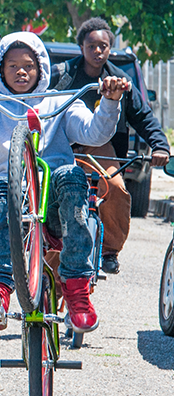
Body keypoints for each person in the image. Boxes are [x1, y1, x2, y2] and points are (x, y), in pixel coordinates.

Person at [0, 32, 129, 333]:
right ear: (0, 69)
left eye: (28, 64)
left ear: (41, 67)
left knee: (71, 175)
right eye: (12, 65)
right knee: (0, 188)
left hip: (52, 201)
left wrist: (110, 101)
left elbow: (95, 134)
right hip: (11, 199)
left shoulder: (59, 100)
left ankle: (76, 286)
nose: (20, 71)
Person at [49, 17, 170, 274]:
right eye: (92, 46)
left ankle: (110, 251)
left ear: (109, 48)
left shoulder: (122, 81)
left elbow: (143, 117)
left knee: (115, 188)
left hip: (100, 148)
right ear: (81, 46)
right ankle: (49, 252)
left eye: (103, 46)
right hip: (64, 147)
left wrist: (160, 146)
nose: (97, 51)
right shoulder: (61, 76)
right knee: (52, 198)